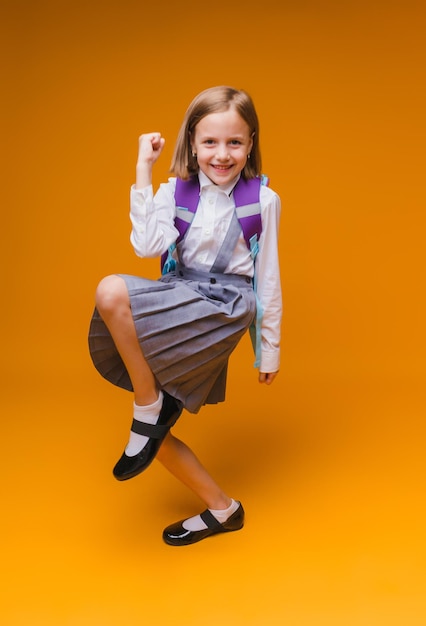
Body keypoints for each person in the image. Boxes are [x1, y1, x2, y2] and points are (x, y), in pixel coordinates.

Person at [88, 85, 282, 546]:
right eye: (210, 142)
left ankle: (146, 404)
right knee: (112, 296)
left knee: (114, 293)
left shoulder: (264, 200)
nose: (222, 154)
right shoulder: (174, 191)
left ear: (251, 143)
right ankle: (222, 509)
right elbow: (146, 248)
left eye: (234, 142)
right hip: (179, 297)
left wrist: (268, 349)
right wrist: (143, 170)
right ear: (192, 144)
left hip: (223, 311)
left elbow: (268, 276)